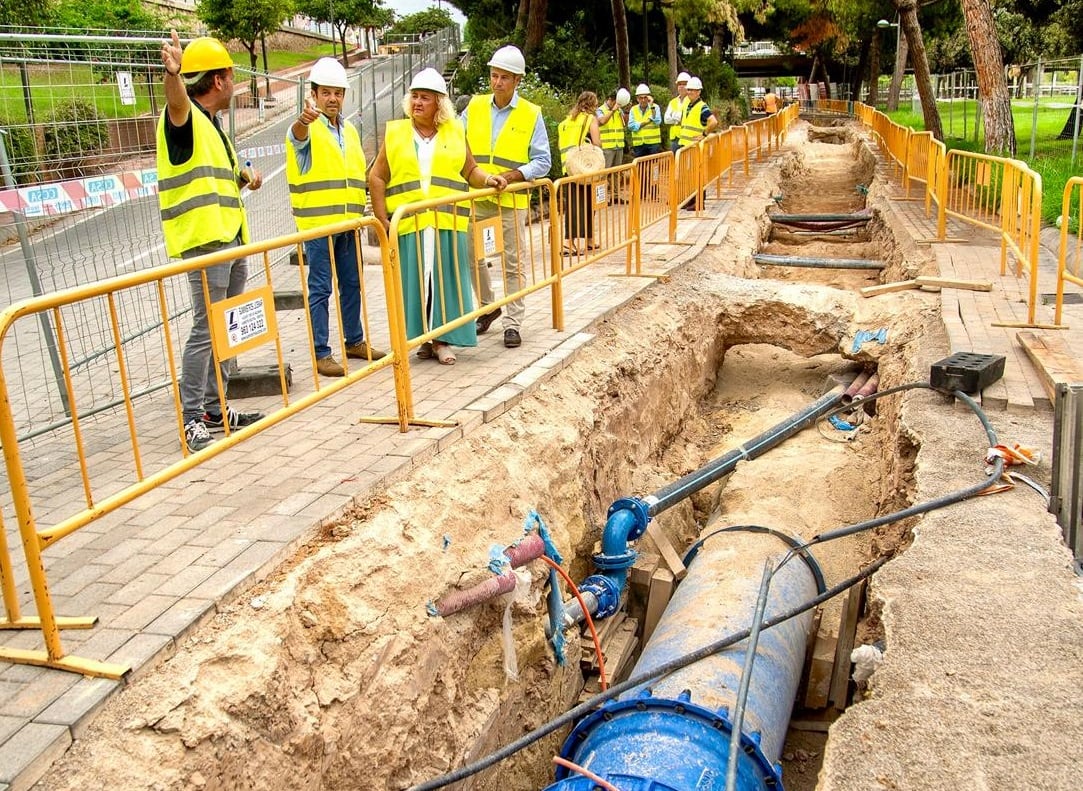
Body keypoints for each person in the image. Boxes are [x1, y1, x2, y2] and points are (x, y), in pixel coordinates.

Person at [157, 30, 264, 454]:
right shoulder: (183, 118)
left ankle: (216, 406)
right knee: (206, 328)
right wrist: (173, 75)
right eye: (230, 74)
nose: (234, 82)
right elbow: (176, 103)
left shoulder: (213, 126)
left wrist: (246, 177)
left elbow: (228, 170)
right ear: (217, 80)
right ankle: (192, 416)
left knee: (224, 326)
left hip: (230, 239)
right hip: (206, 242)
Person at [369, 68, 507, 366]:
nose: (417, 103)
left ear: (439, 104)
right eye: (414, 97)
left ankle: (440, 339)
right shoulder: (396, 133)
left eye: (424, 98)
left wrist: (488, 179)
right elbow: (377, 177)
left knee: (445, 282)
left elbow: (469, 170)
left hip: (446, 222)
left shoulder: (455, 131)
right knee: (417, 284)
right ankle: (427, 340)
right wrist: (382, 221)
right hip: (411, 224)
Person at [286, 58, 386, 378]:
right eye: (325, 92)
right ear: (313, 95)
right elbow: (297, 134)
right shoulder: (307, 127)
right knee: (320, 289)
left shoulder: (351, 131)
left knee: (352, 284)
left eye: (338, 93)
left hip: (349, 224)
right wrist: (304, 119)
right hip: (318, 227)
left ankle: (354, 341)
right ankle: (321, 352)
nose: (332, 98)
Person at [462, 44, 551, 349]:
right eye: (494, 75)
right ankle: (489, 307)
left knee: (512, 263)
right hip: (477, 195)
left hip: (510, 200)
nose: (497, 82)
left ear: (517, 81)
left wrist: (512, 176)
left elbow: (543, 160)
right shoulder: (473, 107)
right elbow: (457, 141)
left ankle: (513, 323)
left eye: (504, 77)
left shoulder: (530, 114)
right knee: (471, 256)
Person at [556, 91, 601, 256]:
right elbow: (596, 142)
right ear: (592, 105)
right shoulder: (590, 120)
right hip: (585, 167)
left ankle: (589, 239)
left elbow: (561, 144)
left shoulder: (565, 122)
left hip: (568, 168)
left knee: (579, 203)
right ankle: (568, 242)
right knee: (584, 204)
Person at [677, 76, 719, 211]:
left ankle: (699, 201)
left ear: (699, 92)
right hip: (686, 145)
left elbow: (713, 122)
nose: (689, 92)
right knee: (689, 176)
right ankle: (691, 200)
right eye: (688, 90)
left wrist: (704, 134)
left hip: (695, 146)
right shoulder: (687, 105)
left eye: (693, 90)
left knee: (698, 174)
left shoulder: (702, 107)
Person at [628, 83, 662, 158]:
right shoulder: (633, 110)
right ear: (637, 98)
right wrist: (647, 121)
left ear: (649, 97)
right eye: (641, 98)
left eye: (645, 97)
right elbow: (631, 126)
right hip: (639, 145)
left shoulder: (655, 107)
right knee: (640, 168)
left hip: (653, 144)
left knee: (654, 167)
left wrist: (652, 106)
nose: (643, 100)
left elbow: (657, 121)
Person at [663, 71, 691, 152]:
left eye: (684, 84)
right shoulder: (673, 102)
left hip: (687, 138)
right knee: (676, 162)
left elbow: (685, 118)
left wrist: (674, 117)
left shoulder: (691, 102)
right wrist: (678, 118)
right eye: (679, 84)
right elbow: (666, 120)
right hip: (675, 139)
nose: (681, 86)